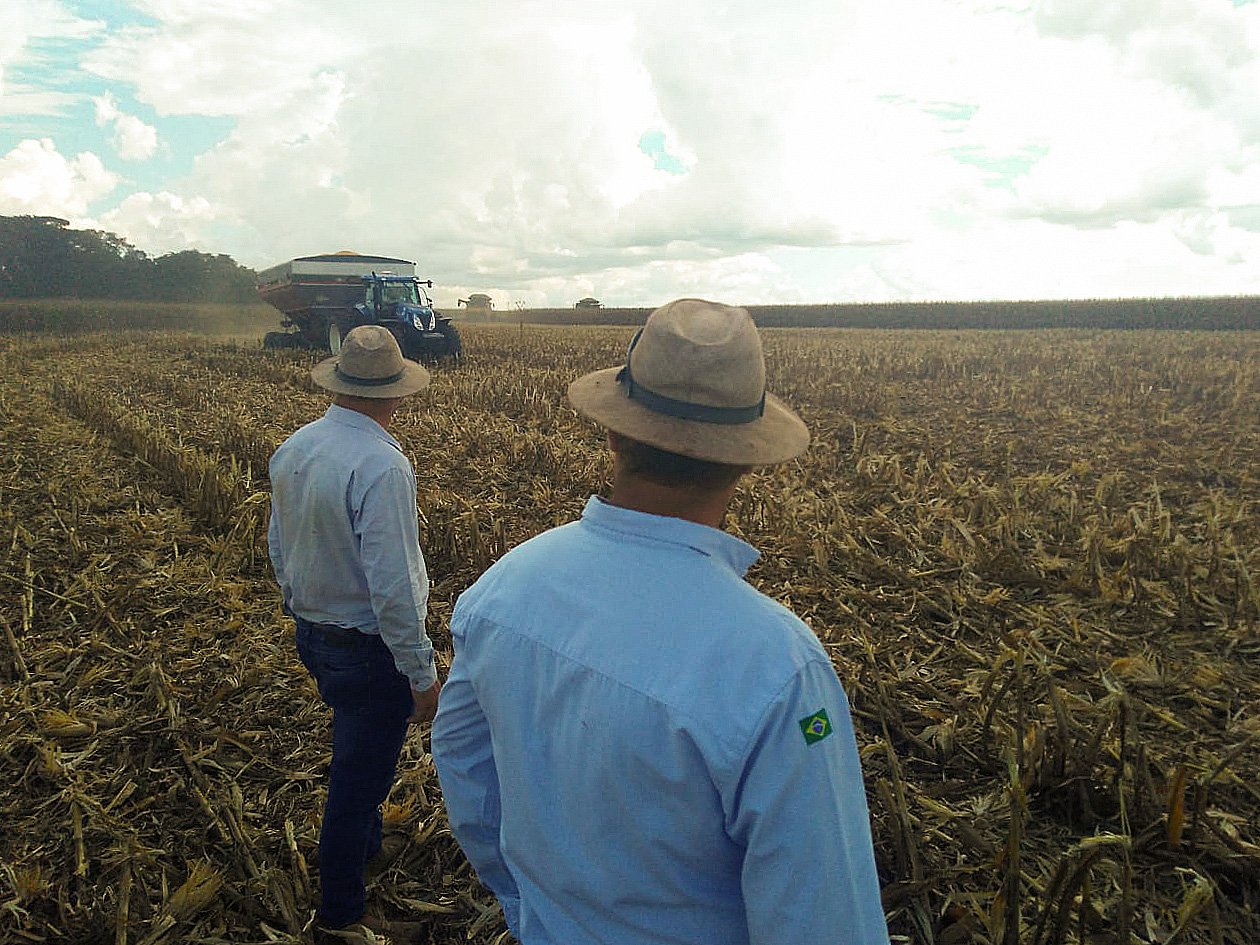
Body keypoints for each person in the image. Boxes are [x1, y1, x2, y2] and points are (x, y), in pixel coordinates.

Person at [432, 299, 889, 944]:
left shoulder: (505, 588)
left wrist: (526, 903)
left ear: (614, 432)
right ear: (748, 460)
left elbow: (466, 772)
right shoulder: (776, 666)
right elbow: (821, 916)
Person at [267, 325, 441, 940]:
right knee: (356, 778)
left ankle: (368, 843)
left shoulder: (295, 447)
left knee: (359, 752)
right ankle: (342, 915)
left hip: (316, 634)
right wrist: (421, 674)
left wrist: (301, 609)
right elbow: (393, 589)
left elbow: (280, 546)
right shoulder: (381, 465)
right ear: (394, 393)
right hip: (369, 649)